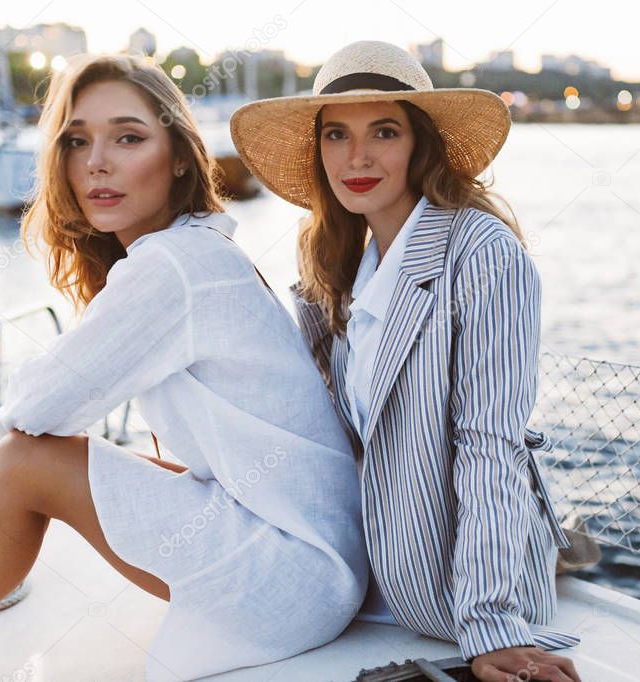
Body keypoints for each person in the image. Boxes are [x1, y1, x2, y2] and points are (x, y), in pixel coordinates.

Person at [0, 54, 366, 681]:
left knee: (24, 460)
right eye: (77, 141)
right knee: (41, 459)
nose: (97, 161)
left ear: (179, 154)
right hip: (317, 566)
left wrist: (16, 494)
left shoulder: (173, 265)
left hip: (296, 578)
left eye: (128, 137)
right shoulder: (199, 248)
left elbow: (31, 412)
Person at [231, 40, 581, 681]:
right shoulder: (331, 273)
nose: (356, 157)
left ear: (420, 143)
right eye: (336, 134)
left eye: (383, 131)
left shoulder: (481, 254)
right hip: (358, 576)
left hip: (450, 596)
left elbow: (490, 445)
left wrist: (490, 629)